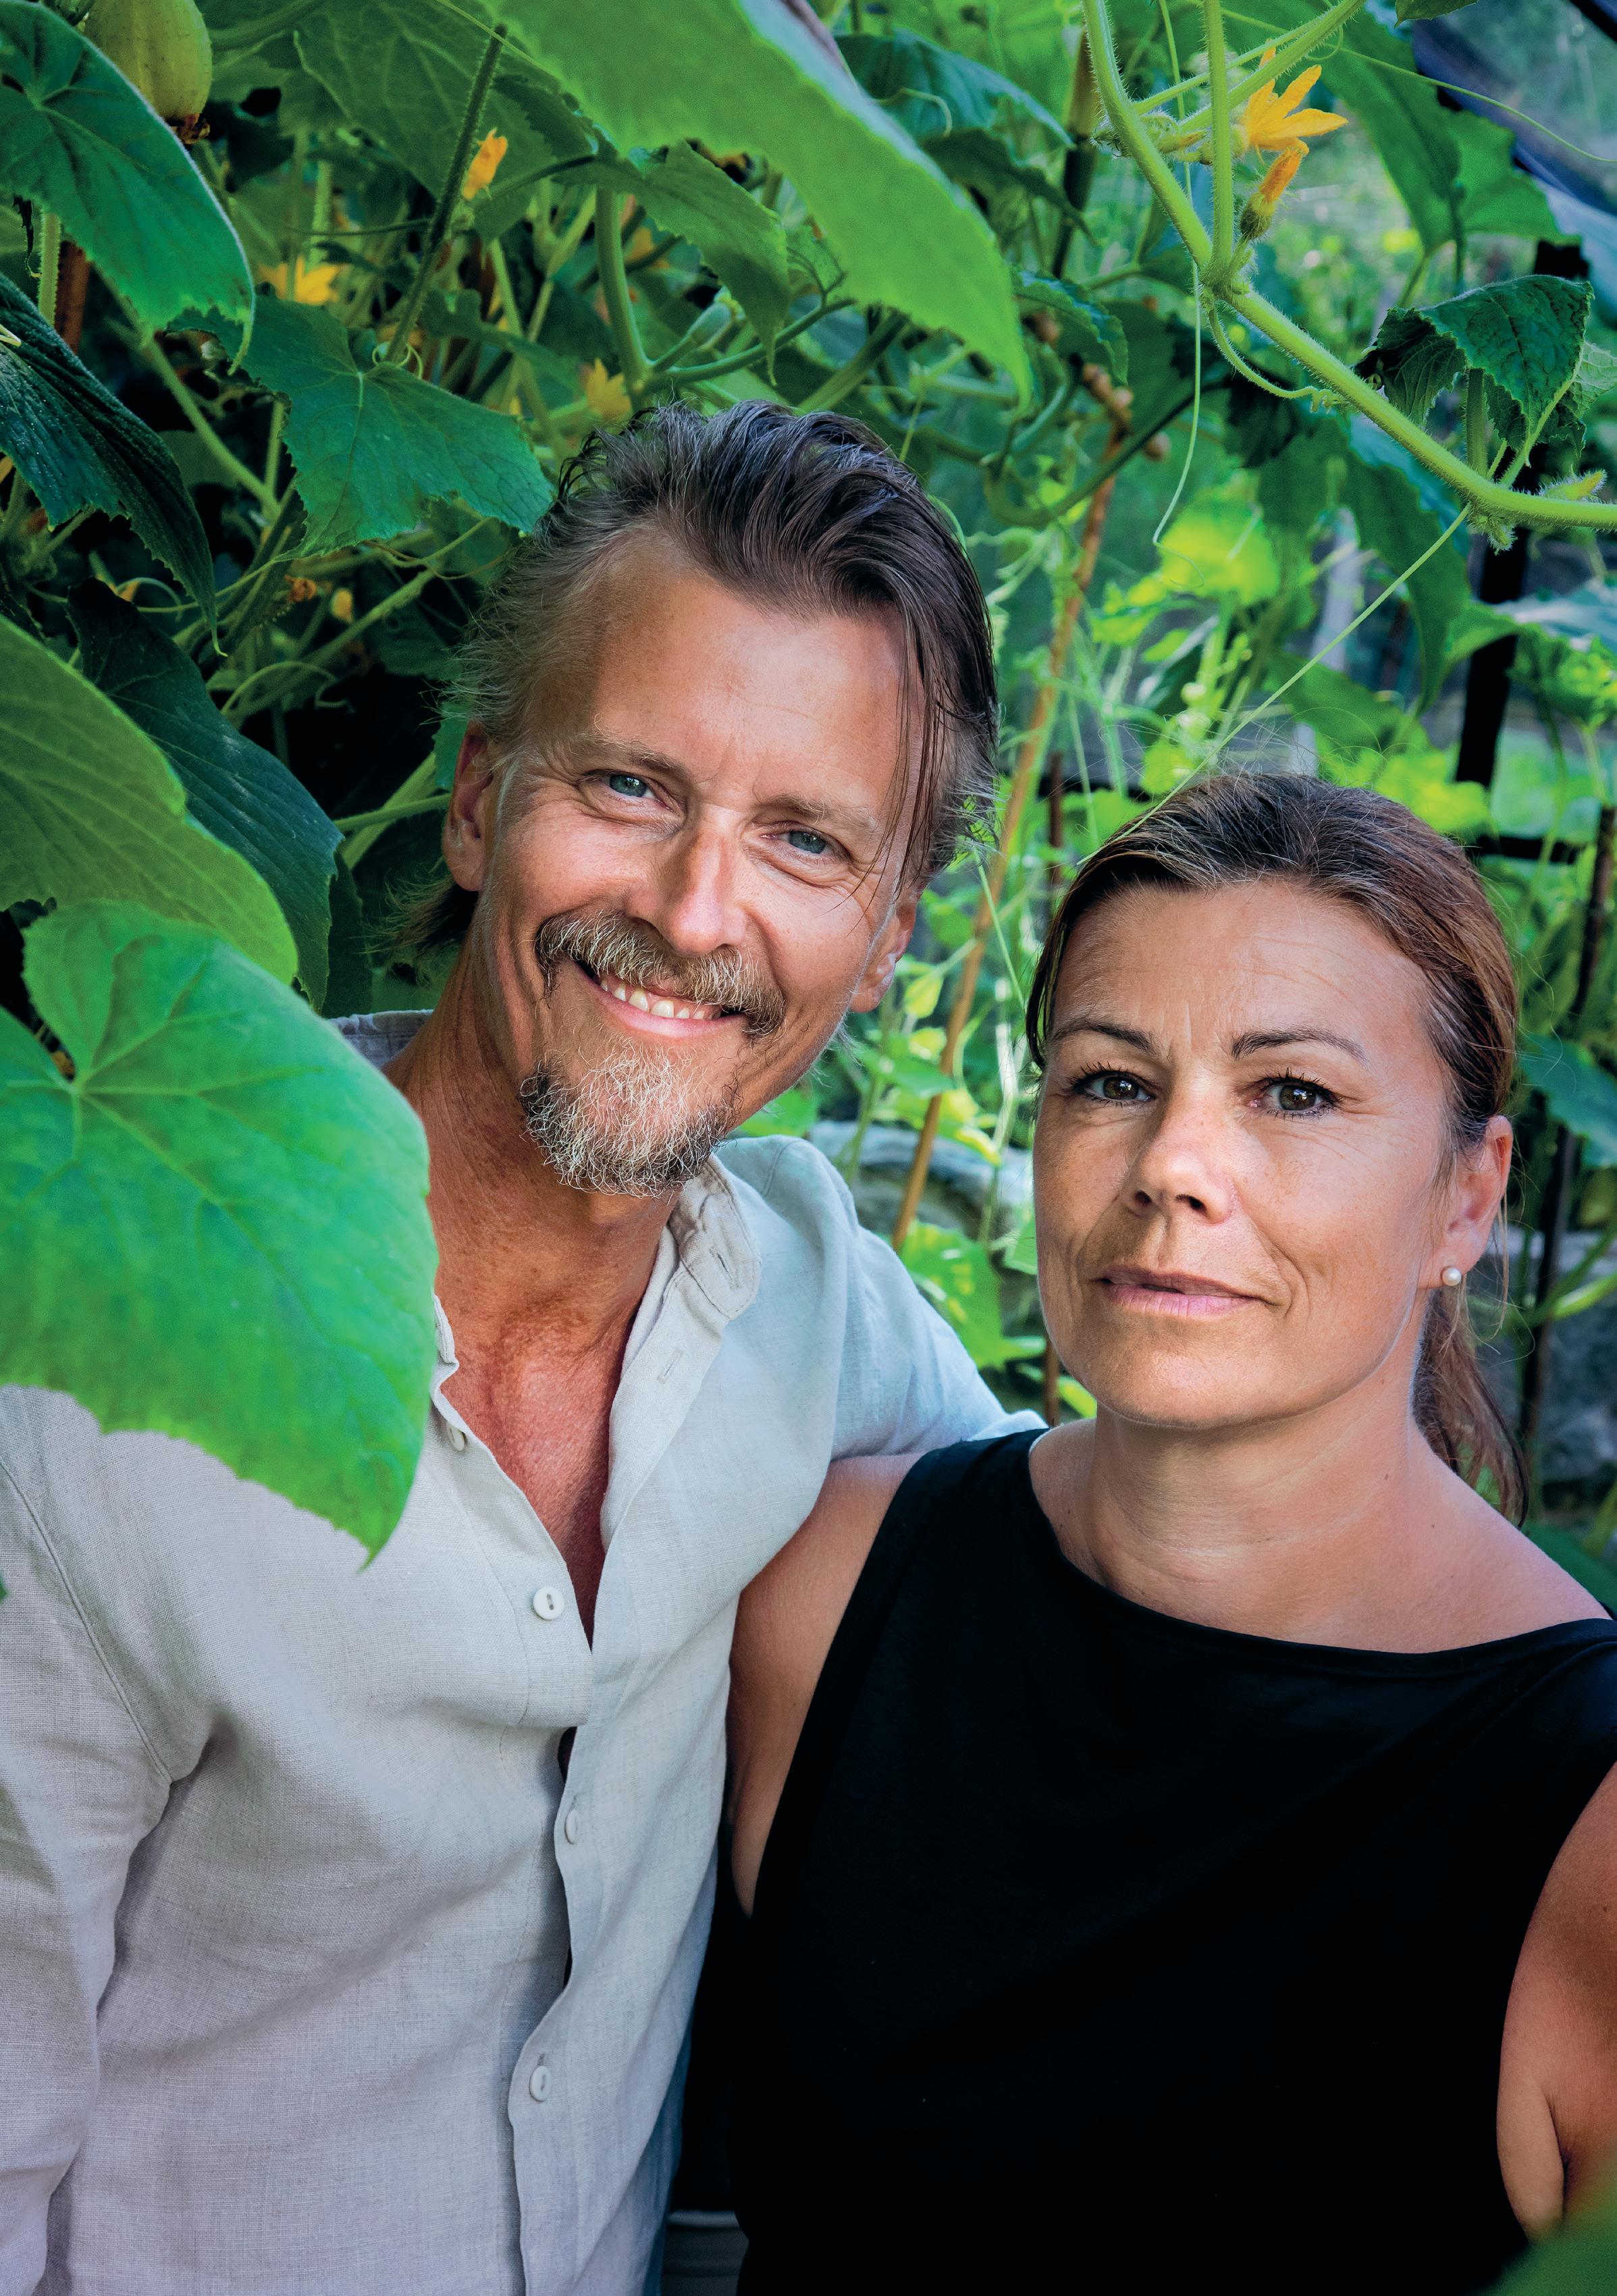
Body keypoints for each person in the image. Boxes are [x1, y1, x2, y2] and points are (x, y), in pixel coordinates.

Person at [0, 402, 1038, 2296]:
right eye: (629, 786)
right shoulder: (96, 1378)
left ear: (886, 934)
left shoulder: (818, 1310)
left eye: (803, 839)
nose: (694, 911)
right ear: (478, 800)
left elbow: (1133, 1572)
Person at [726, 774, 1617, 2295]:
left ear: (1467, 1199)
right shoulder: (823, 1597)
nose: (1172, 1166)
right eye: (1110, 1080)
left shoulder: (1586, 1821)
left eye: (1292, 1094)